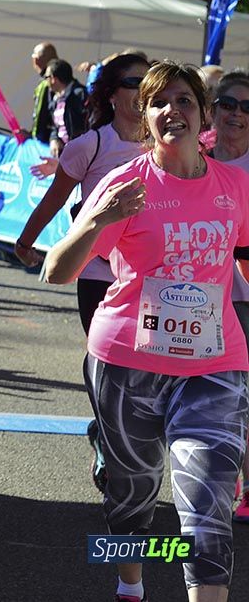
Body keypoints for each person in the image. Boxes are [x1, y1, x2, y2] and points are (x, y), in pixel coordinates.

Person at [44, 60, 249, 602]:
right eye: (159, 102)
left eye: (184, 100)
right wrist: (94, 219)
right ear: (145, 119)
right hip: (127, 361)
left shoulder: (234, 185)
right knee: (133, 496)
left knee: (208, 505)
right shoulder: (125, 183)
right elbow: (56, 271)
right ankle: (129, 583)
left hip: (214, 363)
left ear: (203, 115)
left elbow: (246, 257)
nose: (171, 110)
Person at [14, 53, 149, 492]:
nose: (142, 90)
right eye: (133, 81)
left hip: (148, 274)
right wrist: (25, 241)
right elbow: (54, 200)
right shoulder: (90, 146)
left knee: (142, 365)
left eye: (149, 83)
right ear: (111, 93)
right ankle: (109, 440)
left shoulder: (165, 146)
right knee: (105, 360)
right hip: (96, 269)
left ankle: (112, 432)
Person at [204, 73, 249, 523]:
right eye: (229, 103)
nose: (237, 113)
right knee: (213, 400)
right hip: (197, 300)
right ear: (213, 109)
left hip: (246, 300)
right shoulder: (194, 160)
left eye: (247, 107)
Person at [45, 59, 89, 156]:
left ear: (53, 79)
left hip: (81, 155)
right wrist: (54, 139)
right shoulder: (55, 99)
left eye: (46, 77)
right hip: (64, 155)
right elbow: (54, 126)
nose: (46, 81)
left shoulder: (80, 95)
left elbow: (90, 124)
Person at [30, 41, 58, 145]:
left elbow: (43, 115)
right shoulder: (59, 80)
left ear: (36, 60)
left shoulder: (48, 84)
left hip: (48, 143)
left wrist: (36, 135)